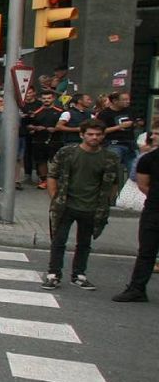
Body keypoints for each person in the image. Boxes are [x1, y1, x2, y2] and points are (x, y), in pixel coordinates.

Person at [42, 120, 122, 291]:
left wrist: (107, 201)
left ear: (103, 136)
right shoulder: (67, 153)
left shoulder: (110, 158)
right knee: (59, 240)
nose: (94, 137)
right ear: (82, 135)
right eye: (90, 134)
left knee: (84, 242)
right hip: (66, 205)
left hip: (93, 207)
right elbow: (52, 175)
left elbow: (114, 182)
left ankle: (79, 274)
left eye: (98, 135)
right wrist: (55, 198)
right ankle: (53, 273)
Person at [113, 138, 158, 303]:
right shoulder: (148, 159)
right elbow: (143, 185)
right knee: (146, 251)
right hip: (154, 210)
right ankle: (137, 289)